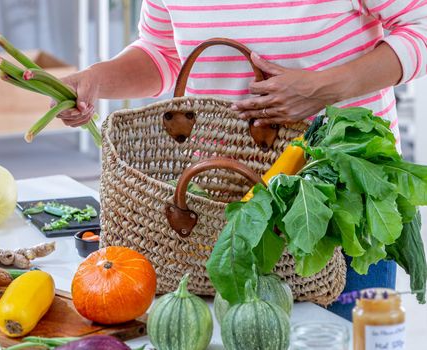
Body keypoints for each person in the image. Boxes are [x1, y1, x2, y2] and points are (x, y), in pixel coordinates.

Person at [59, 0, 427, 320]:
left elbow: (421, 25)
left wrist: (327, 88)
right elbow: (162, 53)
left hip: (341, 208)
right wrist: (94, 80)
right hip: (223, 211)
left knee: (345, 338)